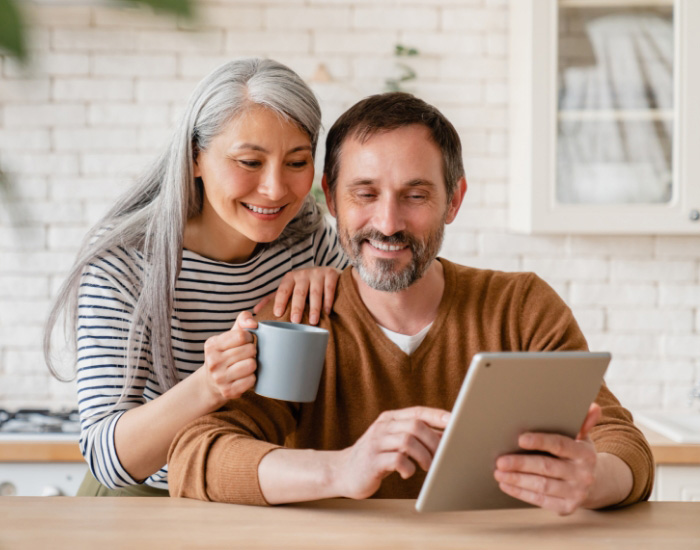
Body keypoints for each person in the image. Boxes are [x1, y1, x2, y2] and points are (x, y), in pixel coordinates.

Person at [167, 92, 654, 515]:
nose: (389, 222)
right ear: (332, 202)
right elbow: (196, 457)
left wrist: (593, 480)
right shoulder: (298, 319)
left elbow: (623, 445)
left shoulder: (520, 307)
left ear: (454, 201)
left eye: (415, 195)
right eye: (365, 193)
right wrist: (341, 469)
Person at [44, 58, 348, 496]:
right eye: (249, 161)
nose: (276, 189)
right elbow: (106, 457)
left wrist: (340, 285)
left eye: (297, 162)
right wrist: (210, 385)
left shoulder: (308, 241)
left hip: (253, 489)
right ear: (194, 159)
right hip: (146, 495)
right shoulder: (126, 262)